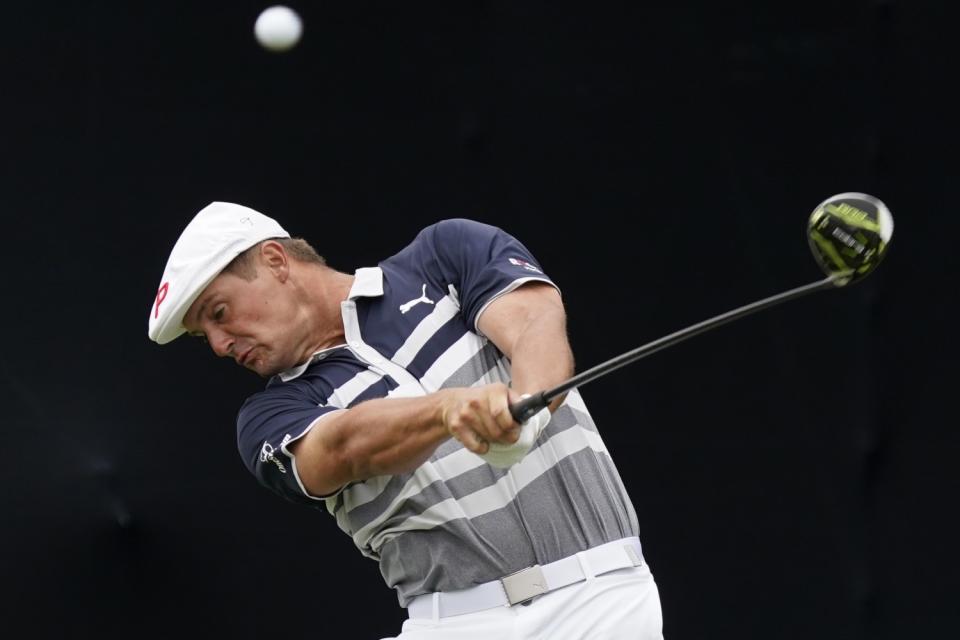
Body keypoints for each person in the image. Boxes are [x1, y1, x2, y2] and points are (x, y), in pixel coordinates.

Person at [147, 201, 664, 639]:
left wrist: (526, 407)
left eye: (218, 313)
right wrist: (448, 410)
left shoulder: (443, 257)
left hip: (605, 600)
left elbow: (536, 323)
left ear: (276, 260)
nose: (219, 345)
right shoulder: (269, 414)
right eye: (204, 337)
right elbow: (344, 448)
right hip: (458, 624)